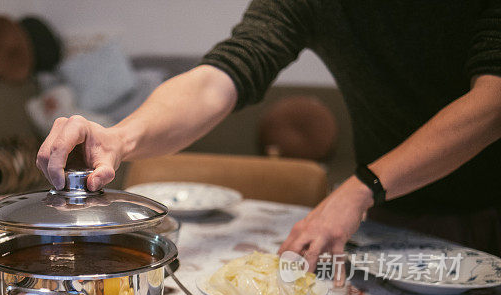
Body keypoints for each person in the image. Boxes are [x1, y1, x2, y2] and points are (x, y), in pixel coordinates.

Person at [36, 1, 501, 268]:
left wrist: (361, 188)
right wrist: (120, 138)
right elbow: (220, 77)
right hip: (392, 217)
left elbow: (493, 100)